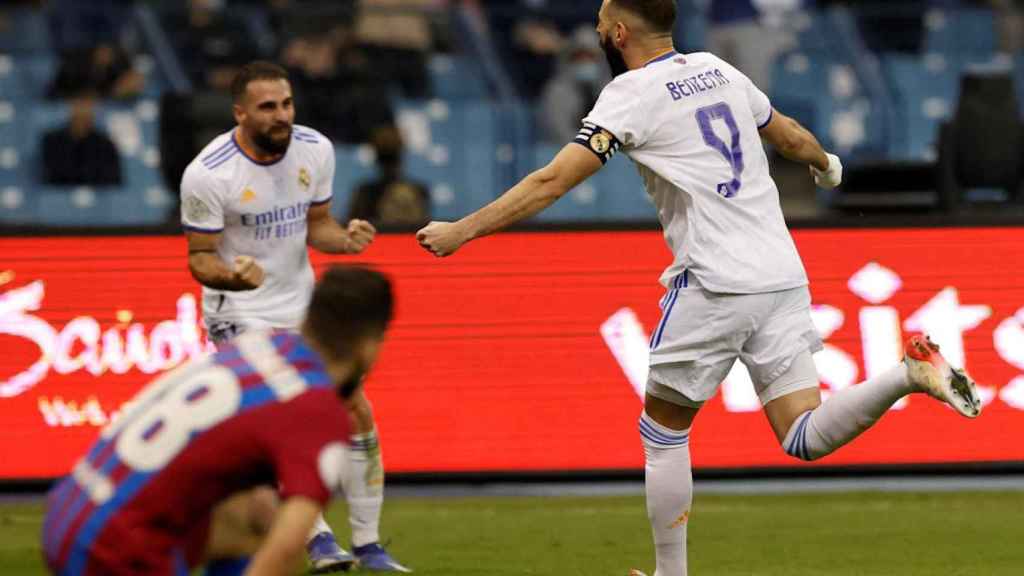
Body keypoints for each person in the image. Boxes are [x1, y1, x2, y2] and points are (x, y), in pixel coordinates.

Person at [415, 2, 984, 575]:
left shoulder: (629, 94)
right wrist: (828, 164)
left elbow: (552, 179)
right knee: (803, 436)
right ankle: (906, 375)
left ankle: (671, 574)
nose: (593, 27)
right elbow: (786, 134)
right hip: (780, 272)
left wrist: (463, 230)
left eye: (599, 19)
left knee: (662, 432)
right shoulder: (718, 69)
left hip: (716, 280)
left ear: (617, 33)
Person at [179, 61, 410, 573]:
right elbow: (199, 258)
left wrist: (344, 241)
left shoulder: (315, 149)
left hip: (299, 307)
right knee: (290, 416)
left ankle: (370, 547)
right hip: (238, 310)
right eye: (267, 108)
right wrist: (231, 275)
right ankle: (318, 537)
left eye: (286, 104)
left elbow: (318, 227)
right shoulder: (208, 173)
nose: (281, 116)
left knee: (356, 412)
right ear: (240, 112)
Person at [42, 265, 394, 576]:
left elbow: (257, 505)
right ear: (369, 345)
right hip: (115, 551)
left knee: (254, 518)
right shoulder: (316, 407)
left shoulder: (259, 347)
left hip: (69, 510)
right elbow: (286, 548)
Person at [41, 91, 122, 186]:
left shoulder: (106, 144)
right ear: (70, 105)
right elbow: (49, 178)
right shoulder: (51, 141)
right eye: (78, 103)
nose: (83, 109)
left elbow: (112, 182)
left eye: (88, 103)